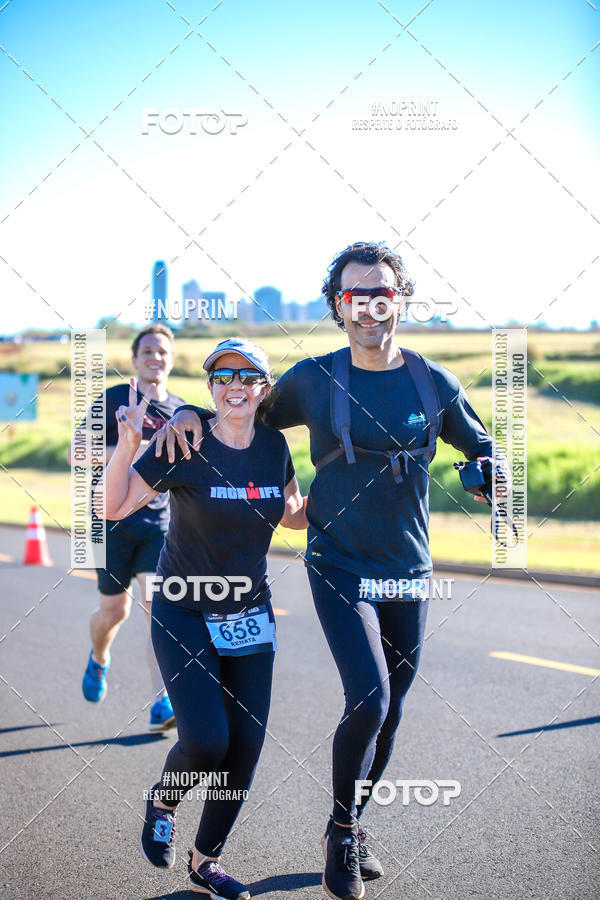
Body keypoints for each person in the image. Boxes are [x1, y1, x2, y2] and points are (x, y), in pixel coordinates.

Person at [154, 243, 506, 900]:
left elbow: (481, 444)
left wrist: (491, 470)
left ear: (398, 300)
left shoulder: (433, 382)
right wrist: (185, 413)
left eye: (381, 292)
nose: (368, 305)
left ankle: (348, 824)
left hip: (407, 567)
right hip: (337, 560)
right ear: (339, 307)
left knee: (393, 712)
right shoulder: (316, 379)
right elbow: (242, 410)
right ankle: (340, 841)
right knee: (368, 699)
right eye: (354, 295)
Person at [98, 338, 307, 899]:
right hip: (183, 608)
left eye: (248, 378)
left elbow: (293, 517)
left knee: (246, 746)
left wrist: (357, 482)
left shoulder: (274, 446)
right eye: (222, 377)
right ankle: (164, 799)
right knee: (208, 740)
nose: (235, 386)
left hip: (249, 611)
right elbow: (112, 507)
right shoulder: (182, 441)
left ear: (263, 389)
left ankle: (205, 862)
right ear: (211, 386)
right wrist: (126, 445)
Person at [70, 323, 188, 731]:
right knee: (113, 612)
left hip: (159, 524)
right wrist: (128, 448)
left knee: (159, 608)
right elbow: (75, 453)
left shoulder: (180, 411)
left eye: (162, 352)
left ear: (171, 360)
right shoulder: (115, 400)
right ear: (135, 360)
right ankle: (99, 659)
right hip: (109, 523)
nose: (156, 357)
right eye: (148, 351)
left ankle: (163, 702)